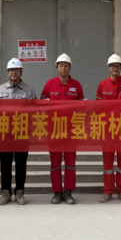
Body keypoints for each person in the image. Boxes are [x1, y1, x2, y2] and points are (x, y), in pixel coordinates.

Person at [41, 54, 84, 205]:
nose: (63, 68)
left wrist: (84, 104)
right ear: (57, 68)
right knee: (55, 163)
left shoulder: (77, 85)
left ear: (70, 68)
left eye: (66, 66)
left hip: (72, 130)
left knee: (70, 163)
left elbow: (81, 105)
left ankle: (68, 192)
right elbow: (41, 102)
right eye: (61, 66)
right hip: (54, 129)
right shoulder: (50, 84)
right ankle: (57, 192)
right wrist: (44, 102)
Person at [0, 58, 38, 206]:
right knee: (5, 164)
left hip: (22, 132)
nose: (13, 72)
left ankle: (20, 191)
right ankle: (6, 192)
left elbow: (36, 111)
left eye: (16, 70)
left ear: (21, 72)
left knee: (21, 163)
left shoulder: (29, 90)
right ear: (7, 72)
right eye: (11, 70)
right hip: (4, 132)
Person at [96, 54, 121, 204]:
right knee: (107, 161)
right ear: (109, 68)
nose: (115, 68)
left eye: (118, 66)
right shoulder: (102, 85)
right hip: (108, 129)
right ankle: (107, 191)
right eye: (113, 66)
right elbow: (98, 109)